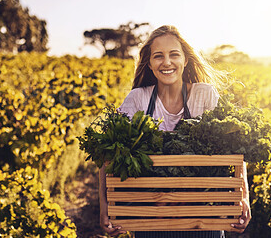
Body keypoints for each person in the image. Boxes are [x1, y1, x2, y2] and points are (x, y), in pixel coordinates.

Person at [99, 25, 251, 238]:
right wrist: (105, 205)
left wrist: (243, 196)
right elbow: (109, 154)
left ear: (185, 60)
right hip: (151, 219)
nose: (167, 62)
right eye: (158, 56)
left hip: (205, 217)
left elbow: (233, 151)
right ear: (150, 64)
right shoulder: (138, 99)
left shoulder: (204, 96)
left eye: (174, 55)